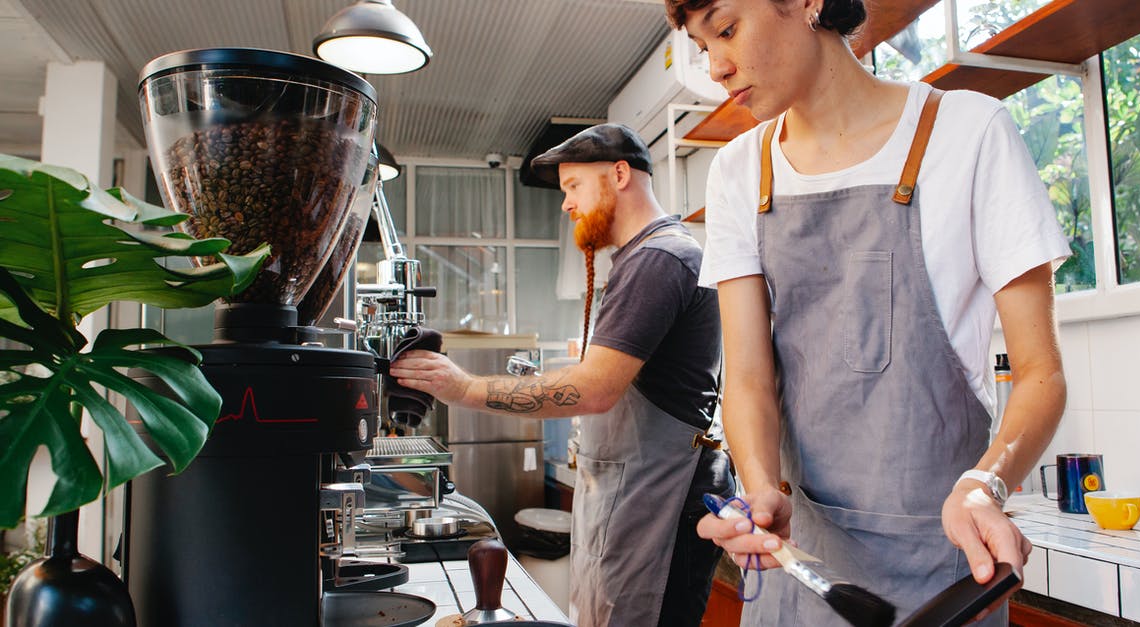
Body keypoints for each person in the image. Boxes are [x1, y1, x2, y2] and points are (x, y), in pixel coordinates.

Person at [666, 0, 1070, 624]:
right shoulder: (739, 171)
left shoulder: (968, 132)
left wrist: (986, 484)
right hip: (799, 566)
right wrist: (760, 486)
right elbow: (747, 378)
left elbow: (1041, 370)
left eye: (725, 30)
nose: (716, 67)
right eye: (702, 47)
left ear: (808, 4)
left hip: (943, 563)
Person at [389, 123, 735, 627]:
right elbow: (595, 372)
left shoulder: (661, 259)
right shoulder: (641, 258)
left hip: (661, 503)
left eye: (573, 186)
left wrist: (463, 388)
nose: (566, 204)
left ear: (619, 175)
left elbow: (592, 389)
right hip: (635, 498)